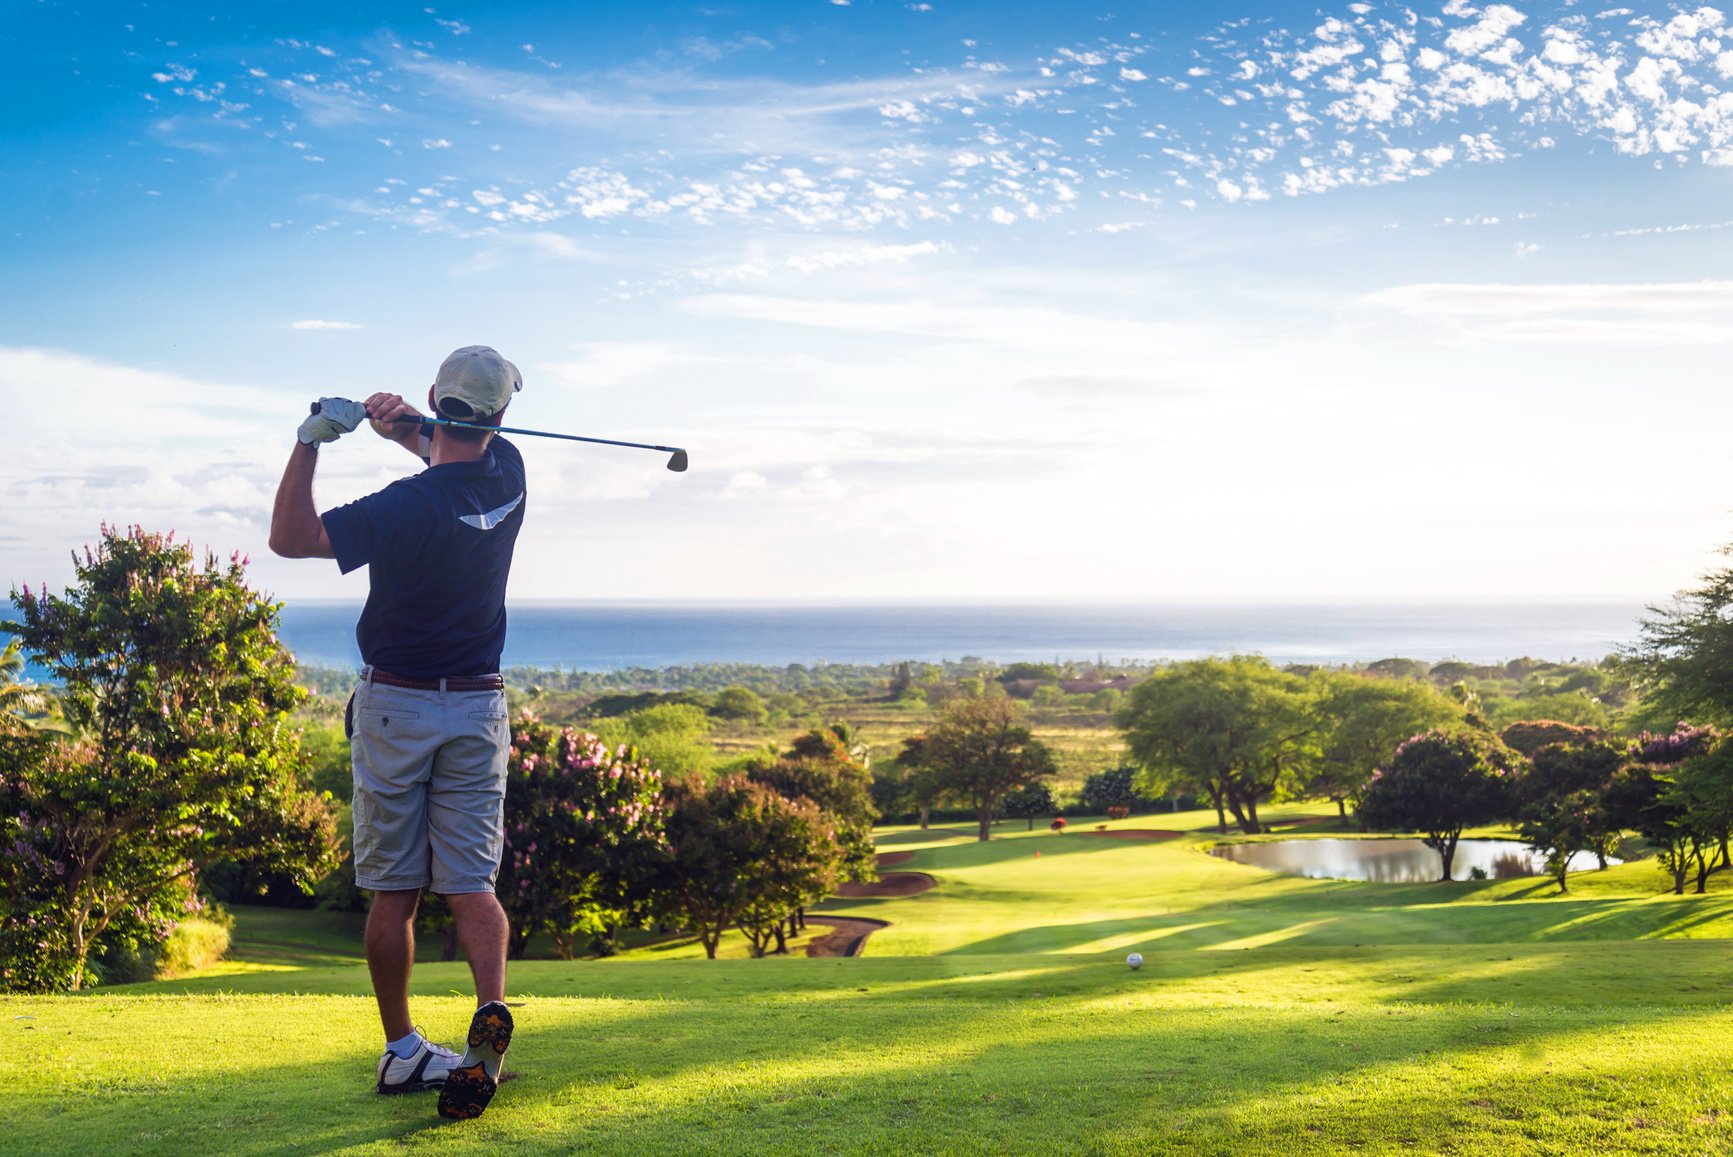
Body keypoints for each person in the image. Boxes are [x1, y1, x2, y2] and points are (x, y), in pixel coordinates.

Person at [268, 345, 526, 1121]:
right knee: (471, 884)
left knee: (395, 889)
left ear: (434, 398)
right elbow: (446, 444)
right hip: (478, 706)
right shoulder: (510, 471)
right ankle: (489, 1016)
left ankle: (403, 1050)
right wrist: (400, 428)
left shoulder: (402, 508)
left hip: (397, 706)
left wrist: (312, 437)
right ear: (502, 415)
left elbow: (291, 536)